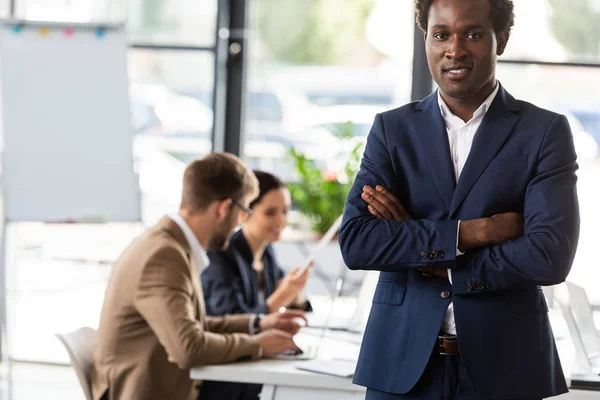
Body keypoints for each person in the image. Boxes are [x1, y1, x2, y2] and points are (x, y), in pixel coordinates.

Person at [338, 0, 580, 399]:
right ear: (427, 40)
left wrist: (428, 255)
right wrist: (474, 232)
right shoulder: (392, 130)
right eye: (441, 34)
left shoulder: (544, 132)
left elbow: (549, 255)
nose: (455, 49)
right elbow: (358, 242)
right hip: (401, 370)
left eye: (473, 34)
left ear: (500, 39)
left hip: (506, 371)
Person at [90, 153, 306, 400]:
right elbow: (188, 348)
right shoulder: (163, 257)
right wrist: (259, 345)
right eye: (244, 210)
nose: (240, 221)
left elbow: (194, 324)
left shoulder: (171, 245)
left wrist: (258, 324)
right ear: (224, 208)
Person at [202, 170, 312, 317]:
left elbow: (294, 303)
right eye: (270, 213)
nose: (281, 221)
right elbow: (230, 321)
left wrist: (296, 297)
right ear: (245, 213)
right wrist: (280, 298)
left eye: (285, 211)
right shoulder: (220, 256)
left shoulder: (267, 253)